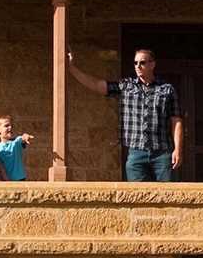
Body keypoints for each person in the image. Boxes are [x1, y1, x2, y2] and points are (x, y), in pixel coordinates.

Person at [68, 48, 183, 182]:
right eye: (135, 63)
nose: (138, 66)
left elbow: (177, 121)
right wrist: (71, 68)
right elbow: (97, 85)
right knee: (136, 198)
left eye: (142, 62)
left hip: (162, 153)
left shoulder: (166, 89)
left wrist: (178, 149)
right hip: (136, 153)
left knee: (166, 196)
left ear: (152, 64)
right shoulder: (126, 86)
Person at [0, 115, 34, 181]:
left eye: (11, 125)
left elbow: (23, 138)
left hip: (19, 179)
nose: (10, 127)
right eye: (6, 126)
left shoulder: (16, 142)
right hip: (4, 180)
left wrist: (26, 137)